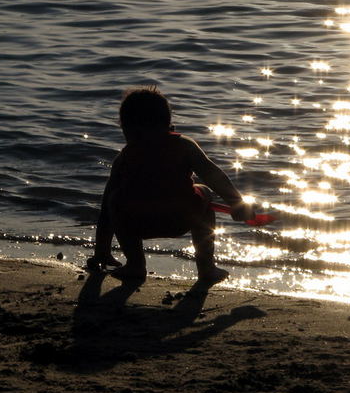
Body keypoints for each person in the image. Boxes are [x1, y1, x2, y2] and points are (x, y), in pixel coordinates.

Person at [87, 86, 255, 282]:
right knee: (205, 193)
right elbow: (212, 174)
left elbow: (106, 211)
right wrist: (237, 202)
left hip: (139, 223)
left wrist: (102, 252)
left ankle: (135, 264)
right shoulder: (184, 145)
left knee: (114, 199)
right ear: (168, 123)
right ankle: (206, 268)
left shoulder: (125, 157)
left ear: (127, 129)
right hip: (180, 218)